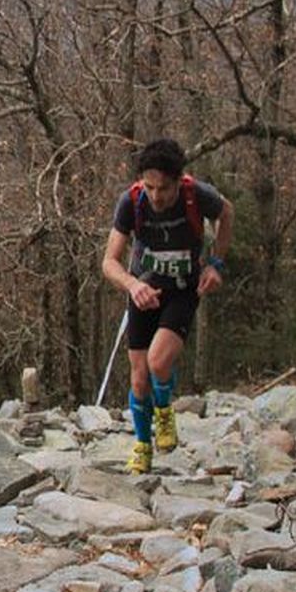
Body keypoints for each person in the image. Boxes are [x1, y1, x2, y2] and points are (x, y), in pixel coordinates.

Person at [101, 138, 233, 474]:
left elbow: (226, 212)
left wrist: (216, 263)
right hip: (144, 288)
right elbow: (109, 262)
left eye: (164, 188)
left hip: (183, 289)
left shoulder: (196, 195)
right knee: (138, 379)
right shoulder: (131, 202)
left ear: (178, 181)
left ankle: (164, 410)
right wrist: (132, 285)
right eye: (149, 187)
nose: (156, 196)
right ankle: (143, 447)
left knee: (159, 361)